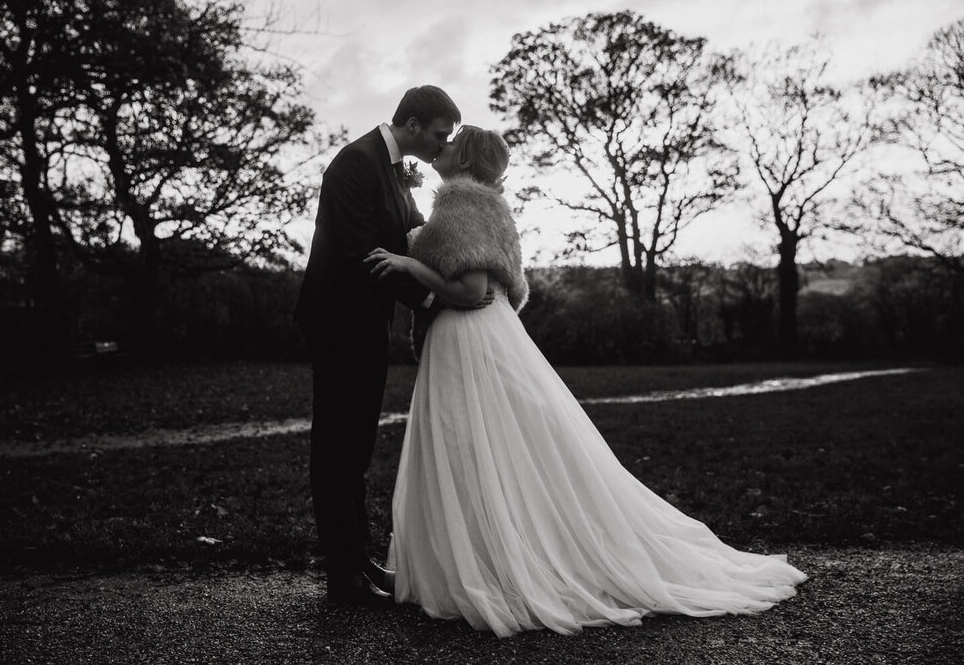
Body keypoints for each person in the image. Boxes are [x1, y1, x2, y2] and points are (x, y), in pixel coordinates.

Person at [364, 126, 807, 637]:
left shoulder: (461, 203)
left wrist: (406, 264)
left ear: (463, 159)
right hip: (485, 335)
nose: (441, 145)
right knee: (493, 447)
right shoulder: (480, 204)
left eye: (450, 141)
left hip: (470, 339)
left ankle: (492, 564)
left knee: (475, 446)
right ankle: (486, 558)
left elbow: (469, 290)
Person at [294, 86, 461, 606]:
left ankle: (355, 556)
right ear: (412, 123)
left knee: (358, 444)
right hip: (339, 323)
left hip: (366, 326)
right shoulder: (355, 164)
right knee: (335, 446)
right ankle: (340, 574)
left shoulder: (391, 169)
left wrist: (466, 243)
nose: (443, 144)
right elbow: (366, 251)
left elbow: (413, 233)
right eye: (440, 134)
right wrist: (431, 298)